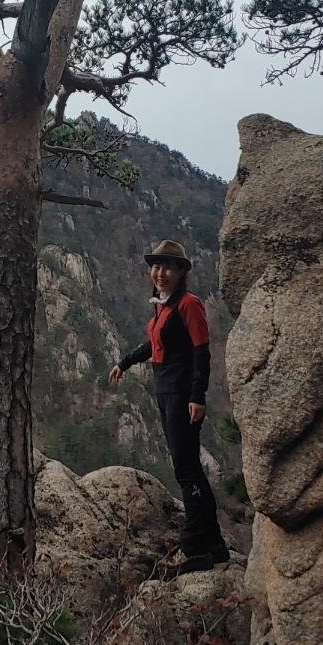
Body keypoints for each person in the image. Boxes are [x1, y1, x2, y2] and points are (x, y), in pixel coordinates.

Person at [109, 239, 229, 574]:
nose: (160, 273)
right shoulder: (163, 305)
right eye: (156, 266)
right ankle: (214, 545)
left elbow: (201, 352)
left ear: (180, 272)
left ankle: (194, 547)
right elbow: (155, 343)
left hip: (181, 393)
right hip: (165, 391)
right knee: (190, 468)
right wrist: (126, 362)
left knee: (186, 470)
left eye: (168, 267)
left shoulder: (189, 304)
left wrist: (197, 396)